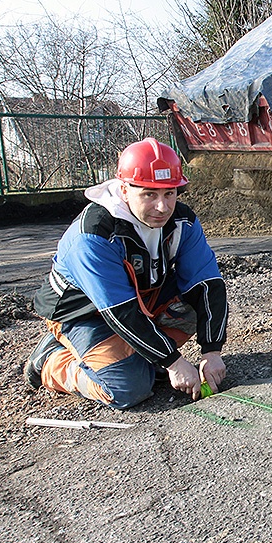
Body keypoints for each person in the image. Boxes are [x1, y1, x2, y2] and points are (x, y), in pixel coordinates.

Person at [24, 138, 228, 409]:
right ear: (124, 189)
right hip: (84, 314)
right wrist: (173, 362)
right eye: (149, 194)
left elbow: (208, 283)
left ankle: (137, 356)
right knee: (128, 388)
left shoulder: (183, 221)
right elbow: (119, 311)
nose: (162, 207)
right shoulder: (94, 235)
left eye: (169, 193)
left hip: (139, 300)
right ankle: (50, 361)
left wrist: (212, 351)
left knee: (195, 308)